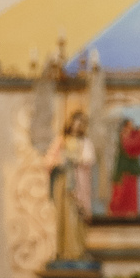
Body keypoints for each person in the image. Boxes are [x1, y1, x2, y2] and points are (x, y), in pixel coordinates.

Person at [43, 111, 94, 260]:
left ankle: (77, 250)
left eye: (81, 122)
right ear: (70, 122)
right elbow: (48, 161)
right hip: (63, 184)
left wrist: (75, 159)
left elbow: (89, 158)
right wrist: (60, 162)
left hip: (78, 184)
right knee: (63, 216)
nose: (77, 125)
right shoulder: (61, 140)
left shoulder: (85, 142)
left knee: (76, 216)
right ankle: (62, 250)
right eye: (75, 121)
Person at [107, 117, 140, 218]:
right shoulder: (123, 135)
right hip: (123, 171)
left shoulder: (130, 135)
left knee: (131, 196)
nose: (132, 128)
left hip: (130, 172)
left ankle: (130, 213)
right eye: (130, 126)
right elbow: (131, 147)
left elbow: (138, 145)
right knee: (121, 195)